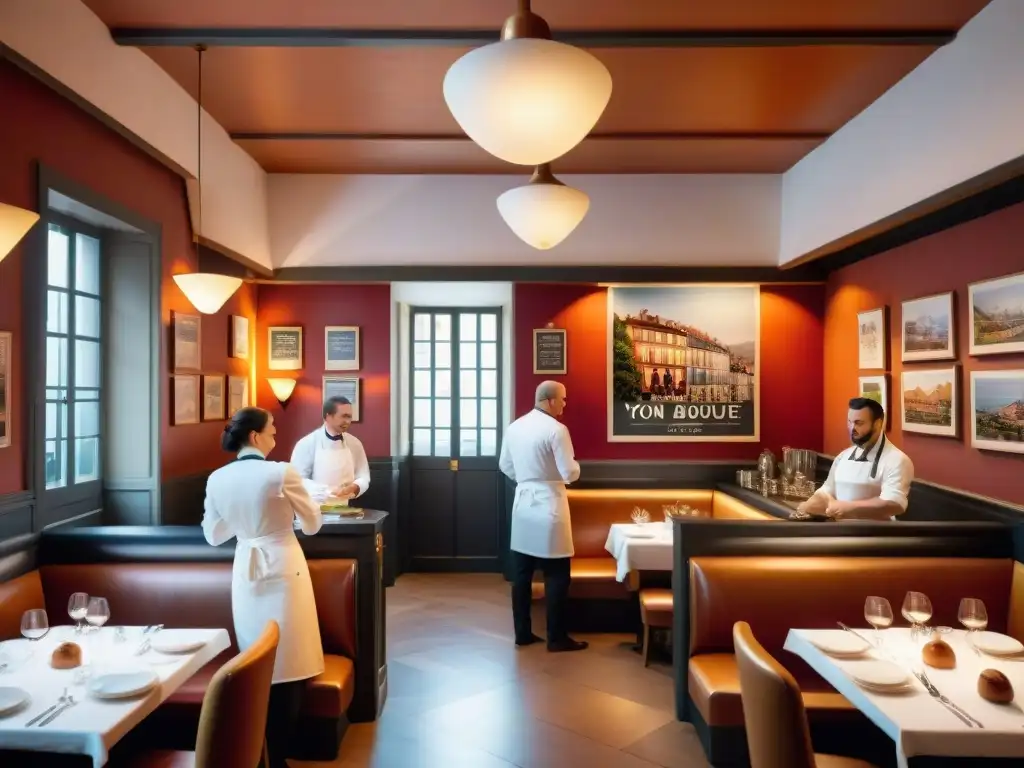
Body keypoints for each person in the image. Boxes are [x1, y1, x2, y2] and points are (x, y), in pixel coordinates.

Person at [202, 407, 324, 768]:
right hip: (283, 567)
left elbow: (213, 534)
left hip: (246, 572)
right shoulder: (280, 473)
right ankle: (278, 753)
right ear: (255, 437)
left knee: (257, 661)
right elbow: (313, 523)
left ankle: (258, 751)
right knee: (290, 663)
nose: (276, 436)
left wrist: (245, 522)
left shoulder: (216, 479)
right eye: (272, 430)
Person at [499, 381, 587, 652]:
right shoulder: (557, 430)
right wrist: (576, 468)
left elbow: (504, 465)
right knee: (557, 573)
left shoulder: (514, 427)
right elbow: (569, 473)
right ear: (550, 400)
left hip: (524, 502)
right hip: (550, 504)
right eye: (563, 399)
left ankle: (523, 633)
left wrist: (526, 480)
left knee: (522, 574)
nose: (565, 404)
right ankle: (556, 637)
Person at [794, 397, 914, 521]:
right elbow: (826, 492)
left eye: (858, 423)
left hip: (876, 537)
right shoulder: (842, 457)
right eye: (850, 422)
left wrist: (847, 508)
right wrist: (807, 506)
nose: (852, 428)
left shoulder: (897, 460)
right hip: (840, 534)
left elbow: (894, 504)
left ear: (878, 424)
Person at [290, 396, 370, 503]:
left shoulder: (355, 443)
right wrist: (327, 491)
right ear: (328, 417)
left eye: (349, 417)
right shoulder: (306, 443)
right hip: (314, 510)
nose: (347, 421)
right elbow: (296, 480)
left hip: (345, 508)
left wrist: (356, 487)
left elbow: (364, 476)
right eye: (343, 416)